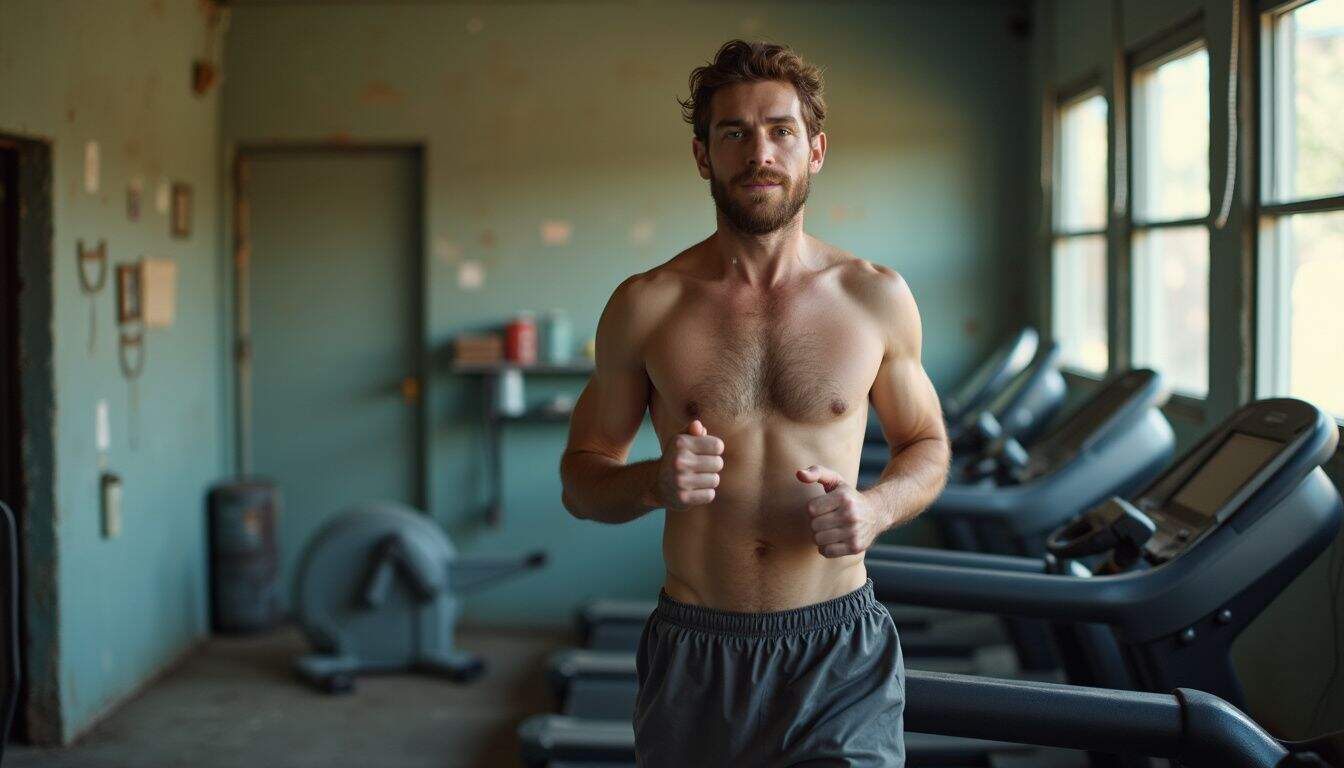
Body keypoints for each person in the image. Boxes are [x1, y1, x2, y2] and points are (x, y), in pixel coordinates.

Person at [559, 39, 950, 767]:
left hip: (838, 646)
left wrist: (876, 509)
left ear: (816, 150)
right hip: (697, 651)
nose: (758, 151)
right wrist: (652, 480)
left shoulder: (875, 297)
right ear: (704, 156)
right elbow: (581, 482)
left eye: (781, 130)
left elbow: (925, 444)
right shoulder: (647, 305)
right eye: (733, 132)